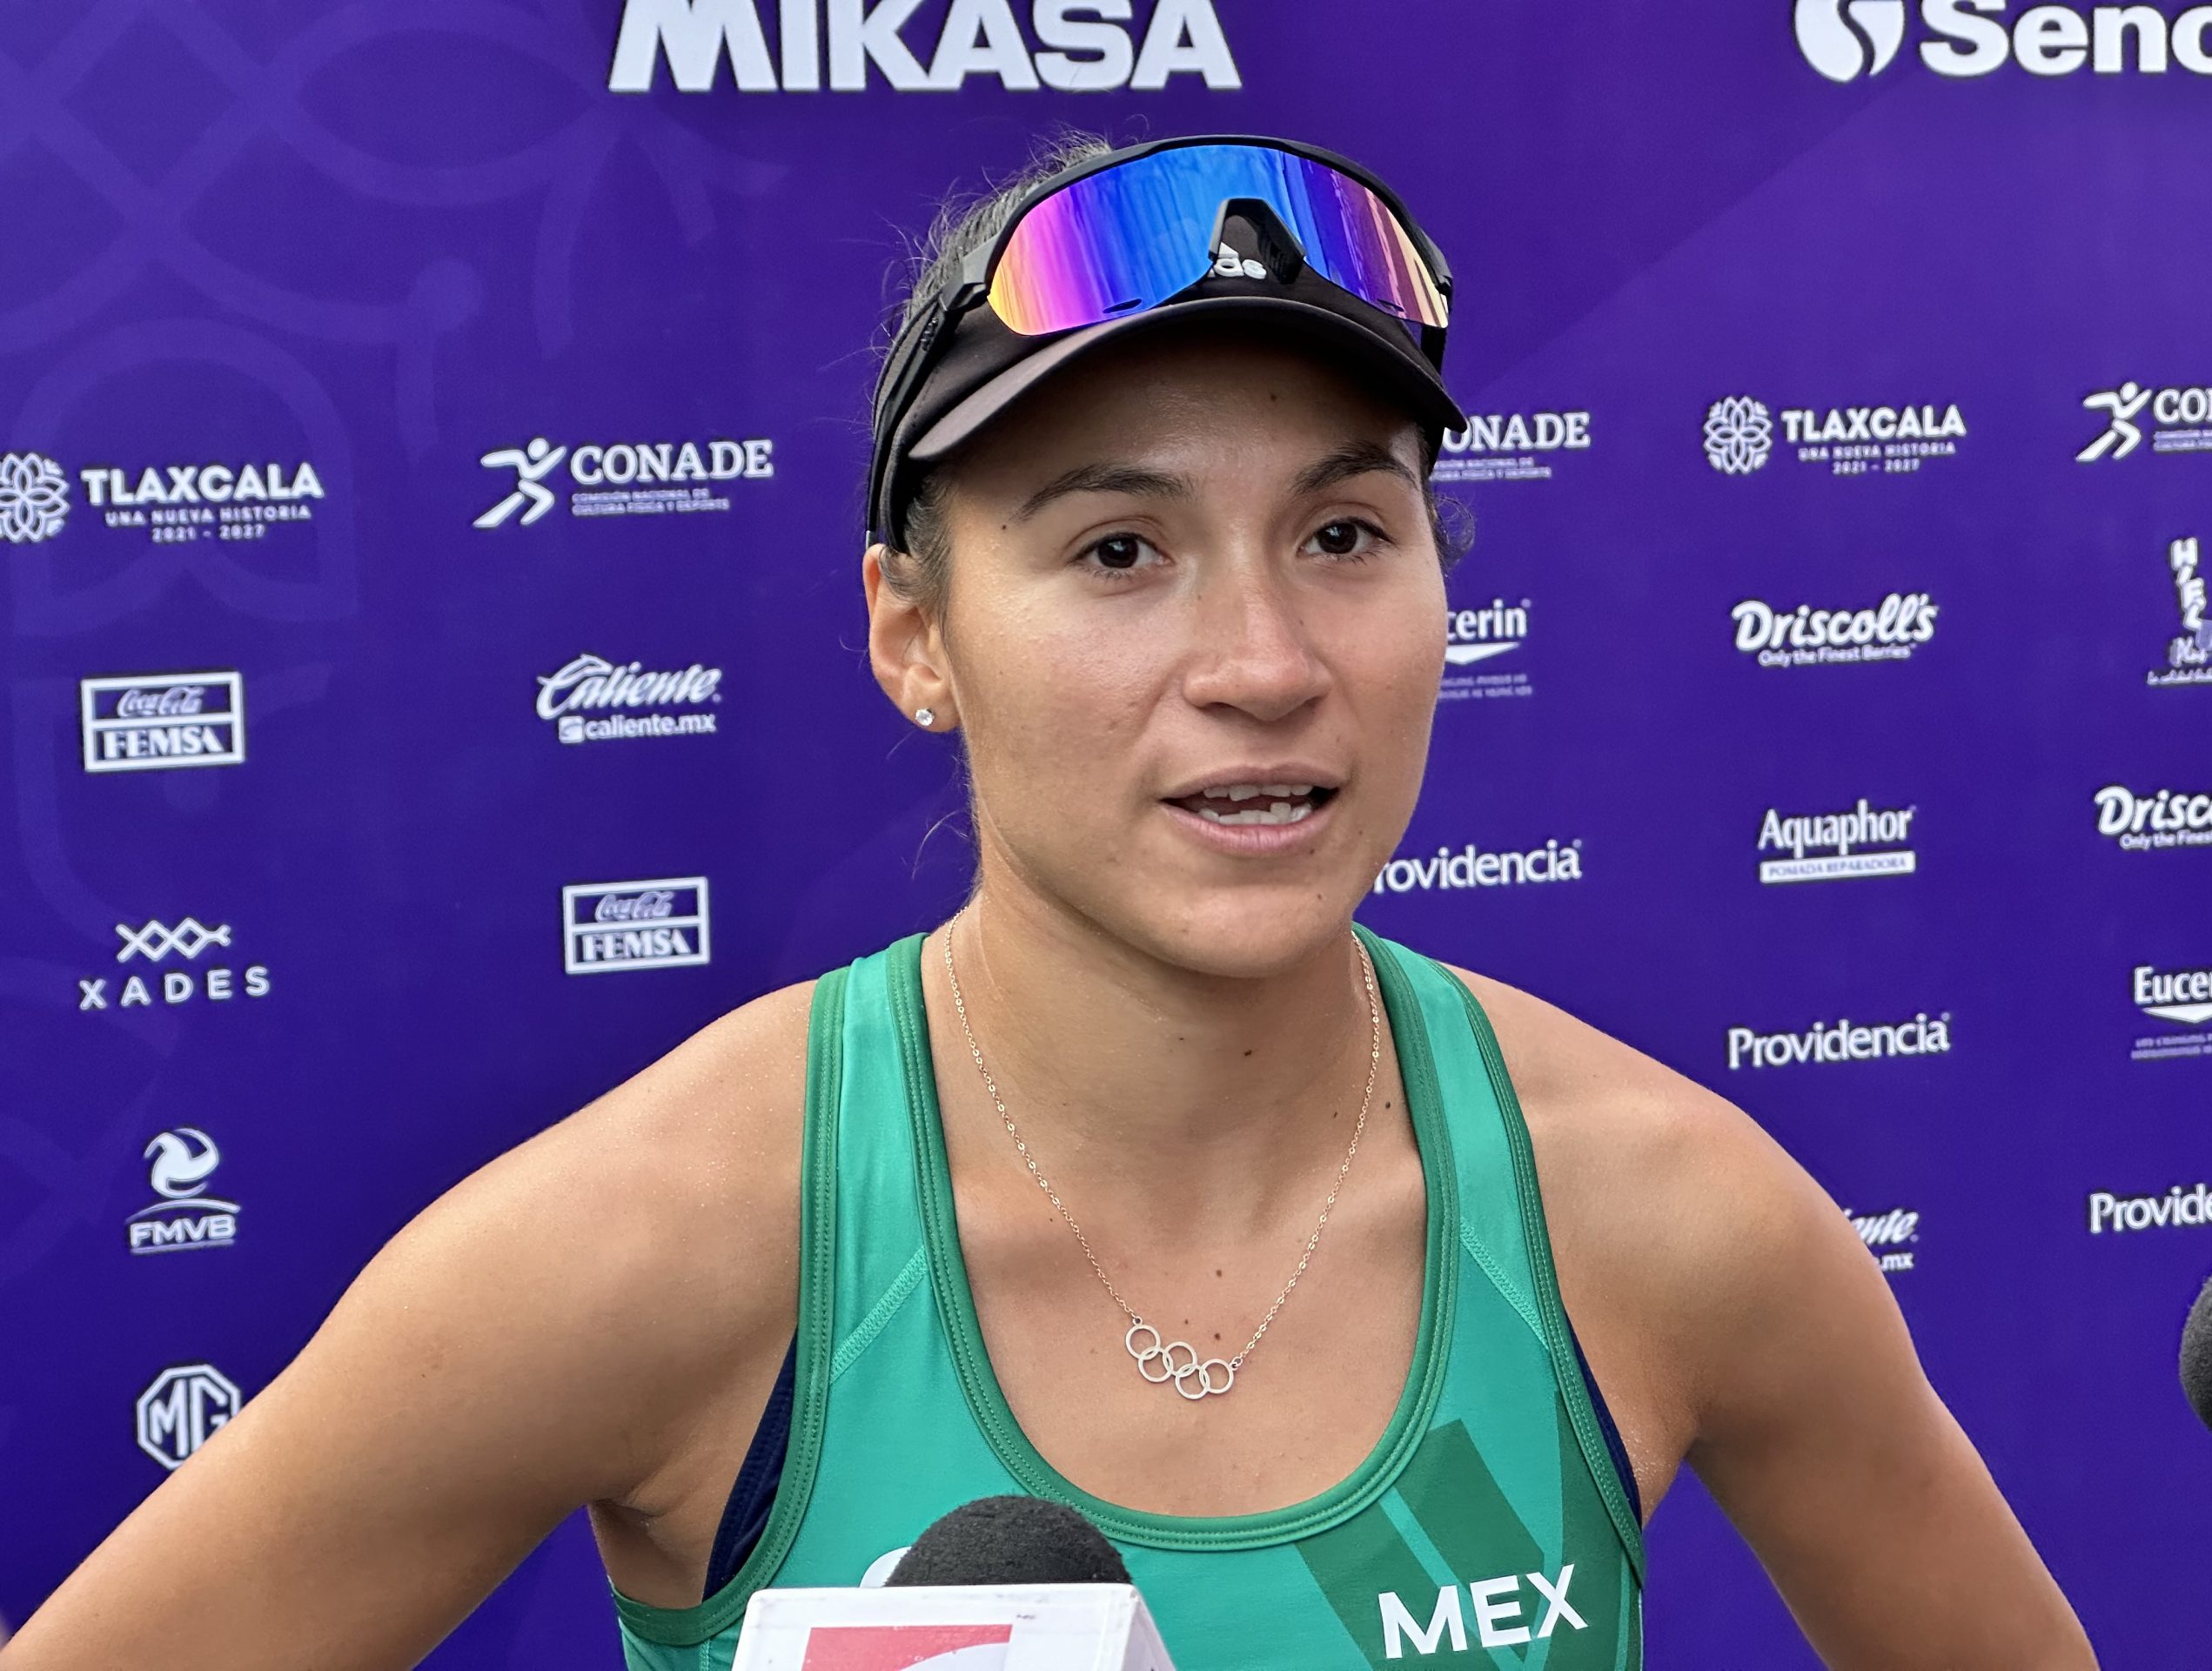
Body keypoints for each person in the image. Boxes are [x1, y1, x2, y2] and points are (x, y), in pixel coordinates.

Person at [2, 134, 2095, 1671]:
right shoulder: (656, 1243)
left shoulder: (1666, 1215)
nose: (1264, 660)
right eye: (1117, 551)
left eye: (1346, 530)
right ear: (913, 635)